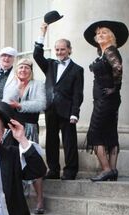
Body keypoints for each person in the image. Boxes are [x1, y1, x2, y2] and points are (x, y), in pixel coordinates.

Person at [34, 22, 84, 180]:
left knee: (69, 142)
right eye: (57, 49)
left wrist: (75, 112)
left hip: (68, 110)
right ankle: (53, 170)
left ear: (69, 50)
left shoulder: (77, 69)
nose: (60, 52)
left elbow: (78, 93)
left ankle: (70, 171)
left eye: (63, 49)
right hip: (51, 109)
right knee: (51, 141)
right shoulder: (50, 64)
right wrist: (42, 33)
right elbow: (37, 55)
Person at [84, 20, 129, 182]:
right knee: (110, 132)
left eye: (104, 32)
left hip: (106, 98)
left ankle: (106, 169)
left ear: (111, 36)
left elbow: (118, 68)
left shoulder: (110, 50)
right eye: (98, 33)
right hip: (105, 98)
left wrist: (115, 88)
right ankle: (113, 170)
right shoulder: (103, 53)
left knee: (95, 133)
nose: (100, 35)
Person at [3, 58, 47, 214]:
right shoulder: (11, 86)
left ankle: (40, 199)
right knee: (11, 162)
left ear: (31, 71)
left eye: (26, 68)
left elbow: (42, 105)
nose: (23, 70)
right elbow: (5, 104)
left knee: (32, 160)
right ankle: (17, 198)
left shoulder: (38, 85)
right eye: (20, 68)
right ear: (16, 71)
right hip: (12, 128)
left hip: (29, 127)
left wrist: (20, 105)